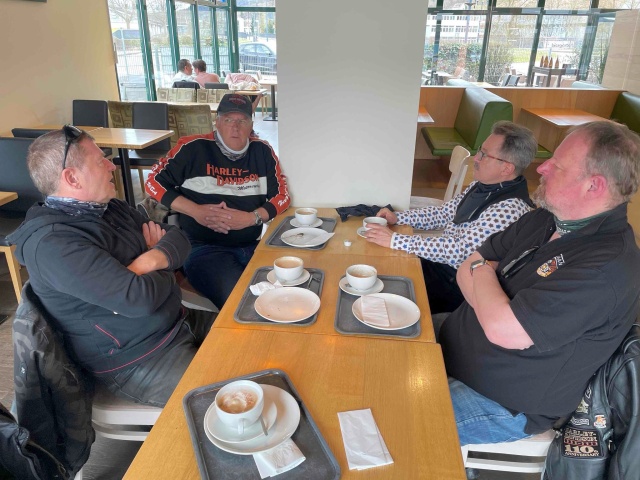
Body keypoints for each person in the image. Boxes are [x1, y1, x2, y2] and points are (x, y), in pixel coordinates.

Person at [438, 121, 640, 446]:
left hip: (501, 402)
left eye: (556, 165)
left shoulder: (606, 268)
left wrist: (483, 273)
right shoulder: (546, 217)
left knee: (392, 424)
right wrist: (490, 303)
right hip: (451, 346)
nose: (541, 168)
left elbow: (503, 330)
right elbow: (468, 264)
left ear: (594, 186)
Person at [8, 126, 216, 407]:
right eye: (100, 161)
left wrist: (149, 260)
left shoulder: (108, 207)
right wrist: (162, 259)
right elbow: (140, 299)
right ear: (72, 178)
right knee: (233, 396)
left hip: (178, 320)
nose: (112, 165)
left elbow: (179, 238)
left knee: (254, 339)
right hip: (139, 358)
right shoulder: (53, 244)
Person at [366, 121, 536, 313]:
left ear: (506, 168)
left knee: (383, 287)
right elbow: (444, 213)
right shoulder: (483, 186)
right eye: (479, 151)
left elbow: (460, 251)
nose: (476, 158)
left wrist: (396, 240)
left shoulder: (509, 209)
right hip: (441, 266)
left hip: (456, 285)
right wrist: (397, 218)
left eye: (484, 155)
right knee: (380, 265)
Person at [146, 93, 290, 308]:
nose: (235, 127)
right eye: (229, 119)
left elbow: (283, 196)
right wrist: (196, 211)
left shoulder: (263, 151)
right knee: (244, 304)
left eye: (242, 120)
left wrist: (252, 218)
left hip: (254, 246)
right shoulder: (192, 148)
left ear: (251, 125)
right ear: (217, 121)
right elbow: (152, 182)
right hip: (203, 249)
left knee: (291, 289)